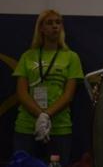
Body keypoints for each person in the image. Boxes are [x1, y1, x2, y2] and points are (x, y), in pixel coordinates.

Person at [12, 9, 84, 164]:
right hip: (26, 126)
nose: (55, 26)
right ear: (41, 29)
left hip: (59, 127)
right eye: (49, 23)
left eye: (58, 22)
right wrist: (40, 115)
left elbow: (68, 95)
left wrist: (46, 116)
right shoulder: (28, 56)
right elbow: (22, 92)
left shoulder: (71, 57)